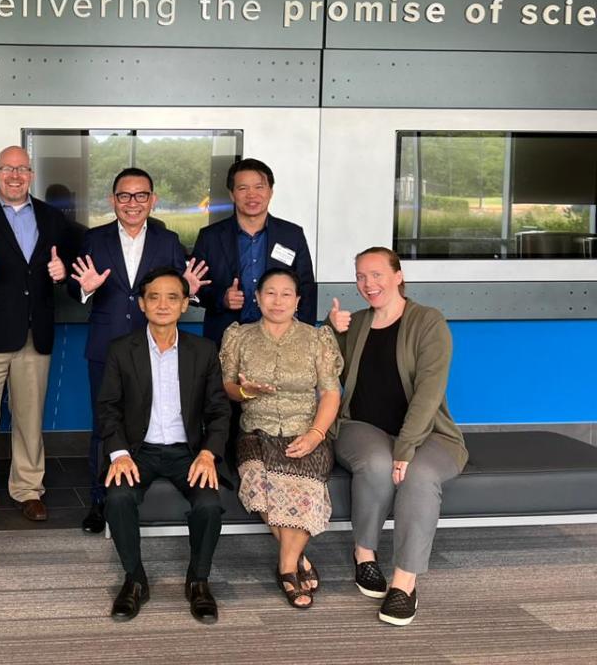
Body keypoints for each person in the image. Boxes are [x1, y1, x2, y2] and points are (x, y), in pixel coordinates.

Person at [327, 246, 468, 627]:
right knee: (376, 463)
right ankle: (365, 555)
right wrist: (331, 331)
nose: (368, 284)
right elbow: (328, 372)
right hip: (361, 426)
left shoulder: (428, 321)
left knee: (419, 476)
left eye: (376, 274)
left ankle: (404, 584)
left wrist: (405, 448)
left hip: (429, 434)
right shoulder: (354, 323)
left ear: (398, 275)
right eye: (360, 276)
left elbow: (429, 392)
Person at [68, 167, 209, 534]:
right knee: (105, 424)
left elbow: (180, 290)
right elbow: (74, 290)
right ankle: (100, 500)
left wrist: (191, 291)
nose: (133, 203)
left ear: (153, 200)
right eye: (125, 196)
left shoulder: (168, 240)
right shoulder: (94, 239)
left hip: (157, 344)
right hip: (106, 344)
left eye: (141, 195)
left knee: (151, 415)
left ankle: (140, 491)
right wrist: (84, 288)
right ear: (113, 200)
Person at [0, 145, 77, 529]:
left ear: (31, 175)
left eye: (22, 169)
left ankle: (28, 490)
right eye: (7, 169)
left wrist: (63, 272)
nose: (15, 175)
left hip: (33, 334)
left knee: (29, 420)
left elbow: (68, 267)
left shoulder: (53, 218)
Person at [98, 267, 230, 623]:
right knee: (118, 497)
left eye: (173, 297)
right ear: (141, 304)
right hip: (138, 451)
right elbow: (107, 407)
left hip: (188, 452)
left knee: (209, 505)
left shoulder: (202, 350)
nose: (162, 304)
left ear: (185, 304)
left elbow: (219, 410)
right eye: (153, 297)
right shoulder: (122, 350)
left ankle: (199, 581)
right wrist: (119, 453)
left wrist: (207, 453)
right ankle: (135, 579)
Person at [219, 267, 342, 609]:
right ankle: (296, 560)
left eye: (286, 293)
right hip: (255, 430)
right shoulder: (239, 336)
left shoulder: (317, 339)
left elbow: (331, 393)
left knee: (303, 488)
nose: (277, 301)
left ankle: (286, 565)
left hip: (305, 431)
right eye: (270, 293)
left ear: (298, 300)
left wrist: (316, 435)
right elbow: (227, 387)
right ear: (257, 298)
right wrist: (245, 390)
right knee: (259, 484)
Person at [190, 158, 316, 347]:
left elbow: (306, 288)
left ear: (270, 192)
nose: (252, 195)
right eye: (243, 188)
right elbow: (197, 288)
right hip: (226, 339)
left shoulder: (292, 235)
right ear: (232, 194)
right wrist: (221, 299)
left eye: (259, 187)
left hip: (281, 339)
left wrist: (303, 337)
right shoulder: (210, 237)